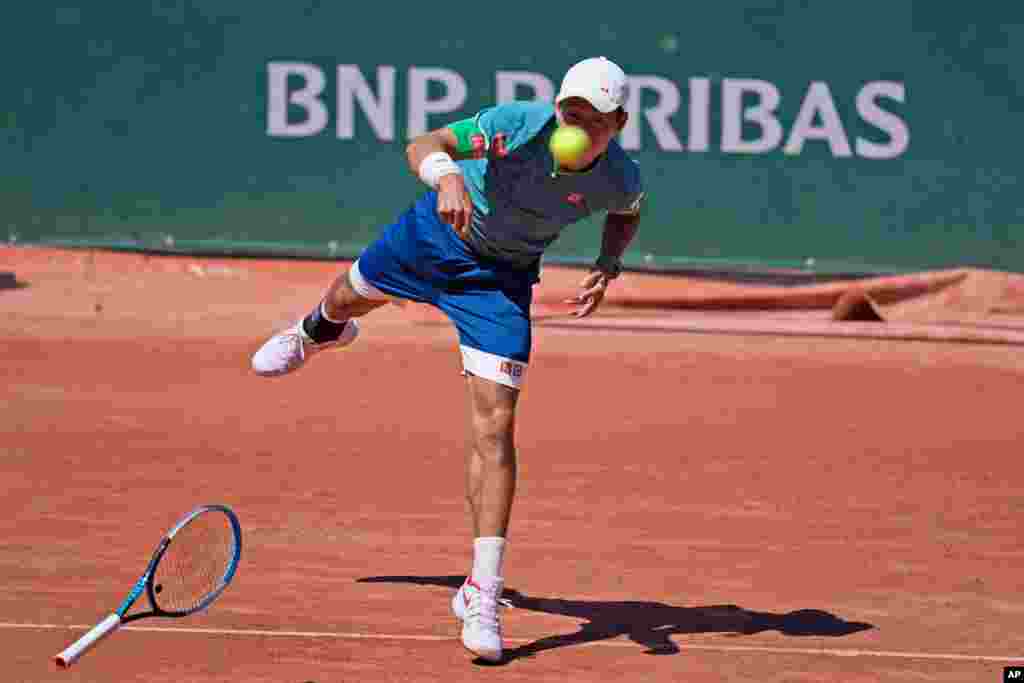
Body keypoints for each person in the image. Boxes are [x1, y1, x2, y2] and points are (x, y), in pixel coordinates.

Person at [251, 56, 645, 662]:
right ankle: (316, 333)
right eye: (570, 112)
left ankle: (482, 590)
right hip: (434, 237)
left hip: (500, 284)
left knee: (496, 425)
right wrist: (447, 176)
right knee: (343, 299)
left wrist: (608, 265)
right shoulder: (519, 125)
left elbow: (628, 211)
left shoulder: (619, 175)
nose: (575, 125)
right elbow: (425, 142)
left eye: (591, 120)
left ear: (617, 123)